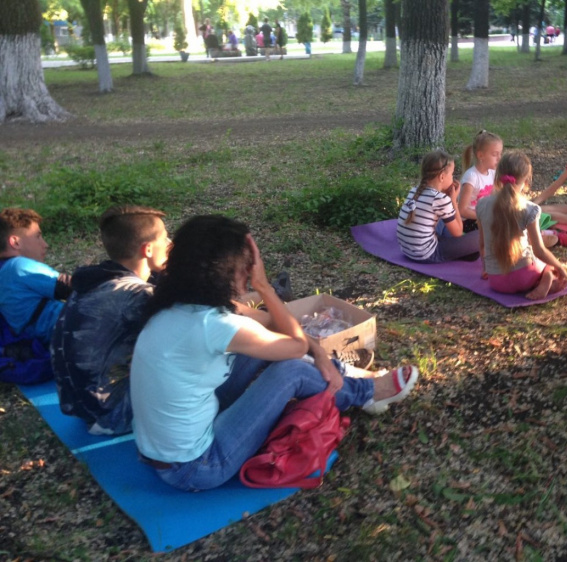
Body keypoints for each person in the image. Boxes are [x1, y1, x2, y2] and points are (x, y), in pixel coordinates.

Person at [130, 215, 418, 491]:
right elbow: (294, 346)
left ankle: (347, 380)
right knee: (290, 370)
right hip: (196, 467)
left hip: (167, 451)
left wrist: (318, 353)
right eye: (247, 266)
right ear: (227, 272)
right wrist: (265, 287)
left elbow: (272, 323)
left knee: (267, 348)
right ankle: (365, 393)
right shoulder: (214, 324)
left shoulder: (177, 302)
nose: (252, 271)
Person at [51, 206, 170, 435]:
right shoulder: (136, 295)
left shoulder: (94, 280)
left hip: (77, 406)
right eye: (165, 237)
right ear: (147, 249)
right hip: (113, 415)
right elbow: (199, 322)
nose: (169, 243)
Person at [477, 152, 567, 300]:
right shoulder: (530, 209)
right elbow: (539, 251)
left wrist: (485, 268)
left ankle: (543, 281)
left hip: (496, 281)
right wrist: (560, 267)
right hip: (526, 277)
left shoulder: (481, 205)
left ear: (497, 177)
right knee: (548, 265)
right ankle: (546, 280)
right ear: (526, 182)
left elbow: (482, 246)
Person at [0, 208, 72, 344]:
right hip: (70, 326)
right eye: (37, 236)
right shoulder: (18, 266)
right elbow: (69, 286)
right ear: (15, 242)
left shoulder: (4, 273)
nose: (45, 244)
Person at [397, 150, 480, 263]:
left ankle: (462, 250)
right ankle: (462, 251)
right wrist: (453, 201)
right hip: (427, 254)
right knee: (483, 235)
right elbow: (458, 233)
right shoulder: (440, 199)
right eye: (452, 174)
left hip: (407, 251)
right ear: (442, 177)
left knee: (445, 219)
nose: (453, 177)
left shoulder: (414, 190)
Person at [457, 130, 503, 232]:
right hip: (469, 221)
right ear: (481, 155)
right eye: (495, 154)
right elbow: (462, 210)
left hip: (484, 215)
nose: (499, 158)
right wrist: (486, 217)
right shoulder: (471, 177)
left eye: (500, 154)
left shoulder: (492, 173)